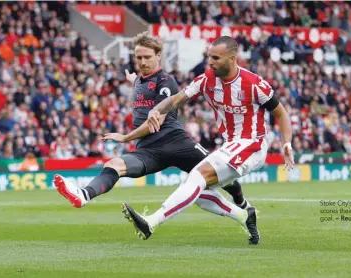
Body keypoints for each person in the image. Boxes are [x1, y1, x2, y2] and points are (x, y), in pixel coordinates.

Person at [53, 32, 257, 243]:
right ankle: (83, 195)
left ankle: (244, 207)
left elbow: (154, 122)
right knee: (115, 164)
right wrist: (134, 80)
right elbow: (140, 82)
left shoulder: (166, 81)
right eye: (138, 58)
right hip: (149, 150)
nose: (142, 62)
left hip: (176, 143)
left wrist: (125, 138)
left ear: (158, 55)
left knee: (225, 178)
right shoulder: (139, 81)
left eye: (147, 57)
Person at [121, 36, 295, 245]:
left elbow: (281, 114)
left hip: (252, 145)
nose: (210, 62)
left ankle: (151, 222)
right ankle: (244, 214)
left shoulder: (254, 84)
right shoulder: (206, 80)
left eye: (215, 58)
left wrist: (286, 143)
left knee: (196, 177)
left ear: (232, 59)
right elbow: (176, 99)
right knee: (195, 189)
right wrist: (155, 110)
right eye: (208, 57)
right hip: (231, 145)